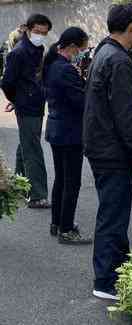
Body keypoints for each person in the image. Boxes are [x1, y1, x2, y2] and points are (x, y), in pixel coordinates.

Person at [83, 3, 132, 300]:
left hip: (101, 146)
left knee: (114, 212)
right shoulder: (120, 61)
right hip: (112, 151)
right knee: (113, 215)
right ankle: (106, 281)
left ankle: (119, 266)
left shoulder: (104, 52)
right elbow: (127, 118)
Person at [42, 27, 92, 245]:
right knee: (71, 182)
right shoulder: (65, 70)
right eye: (82, 48)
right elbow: (80, 102)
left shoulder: (54, 66)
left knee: (61, 180)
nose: (82, 52)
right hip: (69, 133)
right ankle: (67, 229)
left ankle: (57, 223)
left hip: (57, 130)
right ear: (72, 46)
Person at [1, 14, 53, 209]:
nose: (40, 35)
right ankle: (37, 195)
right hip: (27, 107)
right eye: (37, 31)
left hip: (36, 104)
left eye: (44, 33)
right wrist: (17, 100)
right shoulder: (19, 52)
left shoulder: (38, 49)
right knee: (33, 148)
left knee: (27, 142)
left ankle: (18, 185)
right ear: (29, 30)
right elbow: (6, 83)